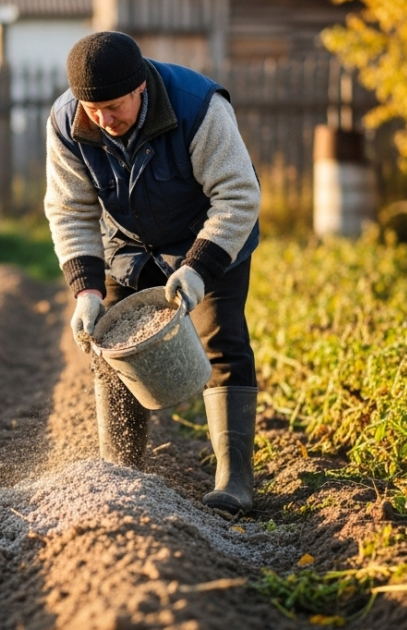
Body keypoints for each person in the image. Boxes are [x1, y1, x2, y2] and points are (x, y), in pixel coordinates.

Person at [43, 31, 261, 512]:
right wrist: (86, 292)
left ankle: (235, 480)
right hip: (127, 246)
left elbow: (238, 195)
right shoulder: (66, 121)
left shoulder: (197, 107)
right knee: (110, 347)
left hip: (209, 237)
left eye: (113, 107)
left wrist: (198, 268)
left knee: (222, 343)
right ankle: (120, 473)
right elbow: (70, 211)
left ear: (140, 87)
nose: (102, 120)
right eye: (91, 109)